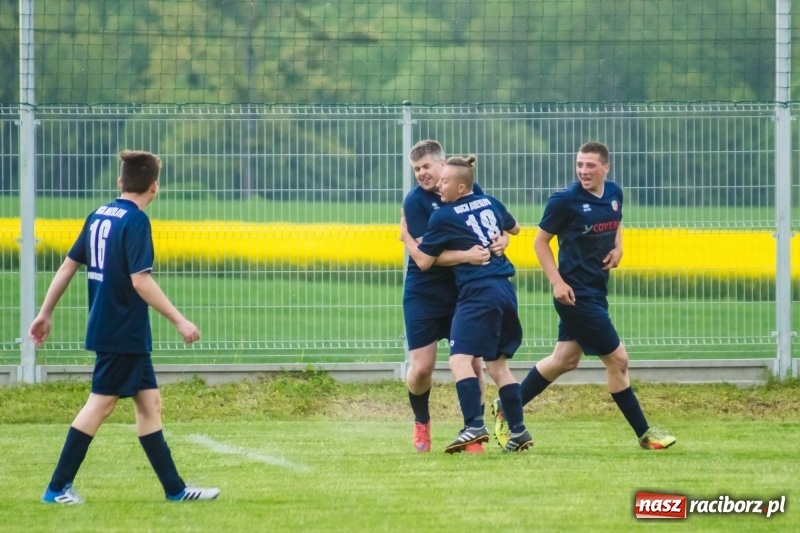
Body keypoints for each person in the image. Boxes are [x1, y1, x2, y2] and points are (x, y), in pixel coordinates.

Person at [29, 150, 221, 504]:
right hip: (121, 331)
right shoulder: (135, 221)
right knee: (99, 406)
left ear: (120, 181)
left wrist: (45, 312)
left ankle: (176, 491)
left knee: (150, 405)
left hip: (120, 330)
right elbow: (140, 281)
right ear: (154, 186)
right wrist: (180, 320)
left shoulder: (100, 214)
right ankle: (56, 488)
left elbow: (68, 266)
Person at [492, 141, 676, 450]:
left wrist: (619, 246)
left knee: (564, 360)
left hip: (596, 290)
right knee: (618, 360)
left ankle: (508, 404)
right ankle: (646, 435)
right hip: (574, 296)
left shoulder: (614, 194)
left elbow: (615, 223)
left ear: (606, 167)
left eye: (590, 165)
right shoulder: (565, 201)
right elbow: (540, 243)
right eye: (579, 164)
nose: (583, 171)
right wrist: (557, 282)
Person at [401, 154, 533, 454]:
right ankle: (518, 431)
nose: (425, 175)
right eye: (416, 169)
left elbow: (423, 258)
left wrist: (406, 237)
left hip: (474, 293)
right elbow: (514, 228)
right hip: (501, 289)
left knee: (462, 361)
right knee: (496, 364)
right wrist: (497, 240)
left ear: (449, 173)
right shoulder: (483, 200)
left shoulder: (445, 214)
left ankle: (473, 426)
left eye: (435, 173)